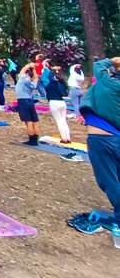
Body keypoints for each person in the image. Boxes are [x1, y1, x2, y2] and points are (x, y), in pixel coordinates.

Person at [79, 57, 120, 226]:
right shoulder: (111, 88)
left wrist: (113, 60)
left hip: (103, 139)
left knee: (108, 179)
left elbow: (98, 66)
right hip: (115, 138)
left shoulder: (112, 85)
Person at [42, 60, 71, 143]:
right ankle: (68, 138)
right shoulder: (61, 83)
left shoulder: (49, 83)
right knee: (63, 121)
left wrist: (45, 67)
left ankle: (64, 139)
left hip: (54, 102)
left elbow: (44, 77)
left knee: (59, 121)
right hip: (62, 102)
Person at [15, 63, 41, 145]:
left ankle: (31, 140)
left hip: (23, 101)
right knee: (34, 121)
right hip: (30, 101)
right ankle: (35, 140)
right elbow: (36, 77)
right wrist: (34, 69)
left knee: (28, 121)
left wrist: (30, 65)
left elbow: (23, 68)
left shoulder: (23, 78)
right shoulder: (33, 82)